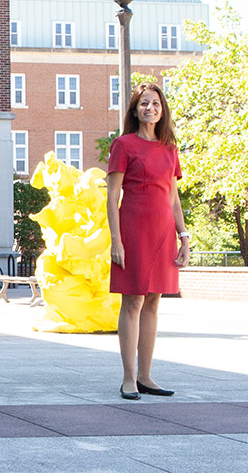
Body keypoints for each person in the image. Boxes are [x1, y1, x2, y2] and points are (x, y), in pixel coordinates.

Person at [106, 83, 190, 401]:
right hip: (133, 230)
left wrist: (184, 237)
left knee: (154, 302)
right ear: (135, 110)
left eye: (155, 103)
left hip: (163, 233)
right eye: (144, 103)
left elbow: (173, 196)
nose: (150, 108)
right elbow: (112, 195)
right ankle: (128, 378)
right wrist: (116, 240)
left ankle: (146, 376)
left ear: (162, 110)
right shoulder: (123, 144)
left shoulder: (169, 148)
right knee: (133, 302)